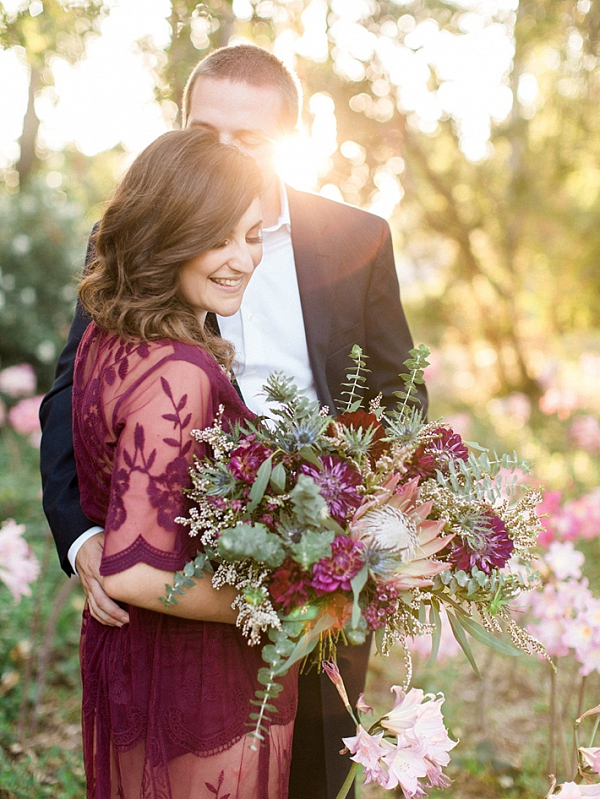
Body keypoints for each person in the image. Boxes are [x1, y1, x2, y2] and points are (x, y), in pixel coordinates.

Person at [39, 44, 427, 799]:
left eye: (244, 139)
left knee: (310, 766)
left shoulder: (357, 237)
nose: (216, 153)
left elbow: (396, 394)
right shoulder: (133, 235)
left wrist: (358, 530)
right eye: (202, 129)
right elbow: (71, 391)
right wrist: (84, 538)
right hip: (168, 571)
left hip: (310, 551)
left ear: (286, 139)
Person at [70, 126, 298, 798]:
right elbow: (136, 571)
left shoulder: (107, 338)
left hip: (134, 663)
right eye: (217, 236)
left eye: (252, 234)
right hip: (196, 676)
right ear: (166, 233)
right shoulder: (179, 371)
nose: (241, 258)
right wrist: (276, 603)